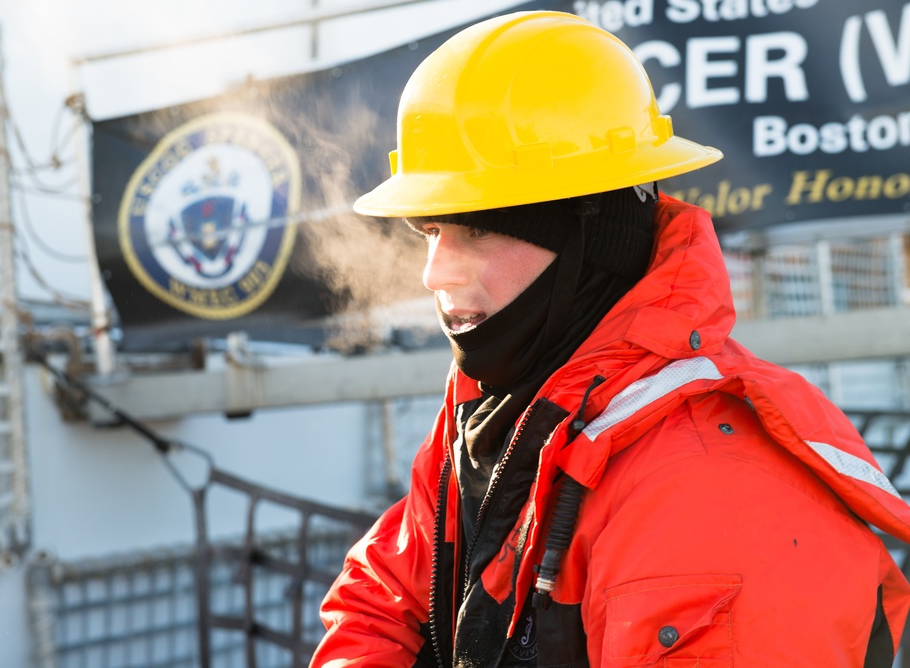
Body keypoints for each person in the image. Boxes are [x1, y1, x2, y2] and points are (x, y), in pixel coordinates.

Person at [311, 10, 910, 667]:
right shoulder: (499, 420)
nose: (433, 273)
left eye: (475, 231)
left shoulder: (708, 498)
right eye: (430, 233)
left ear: (591, 242)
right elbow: (382, 596)